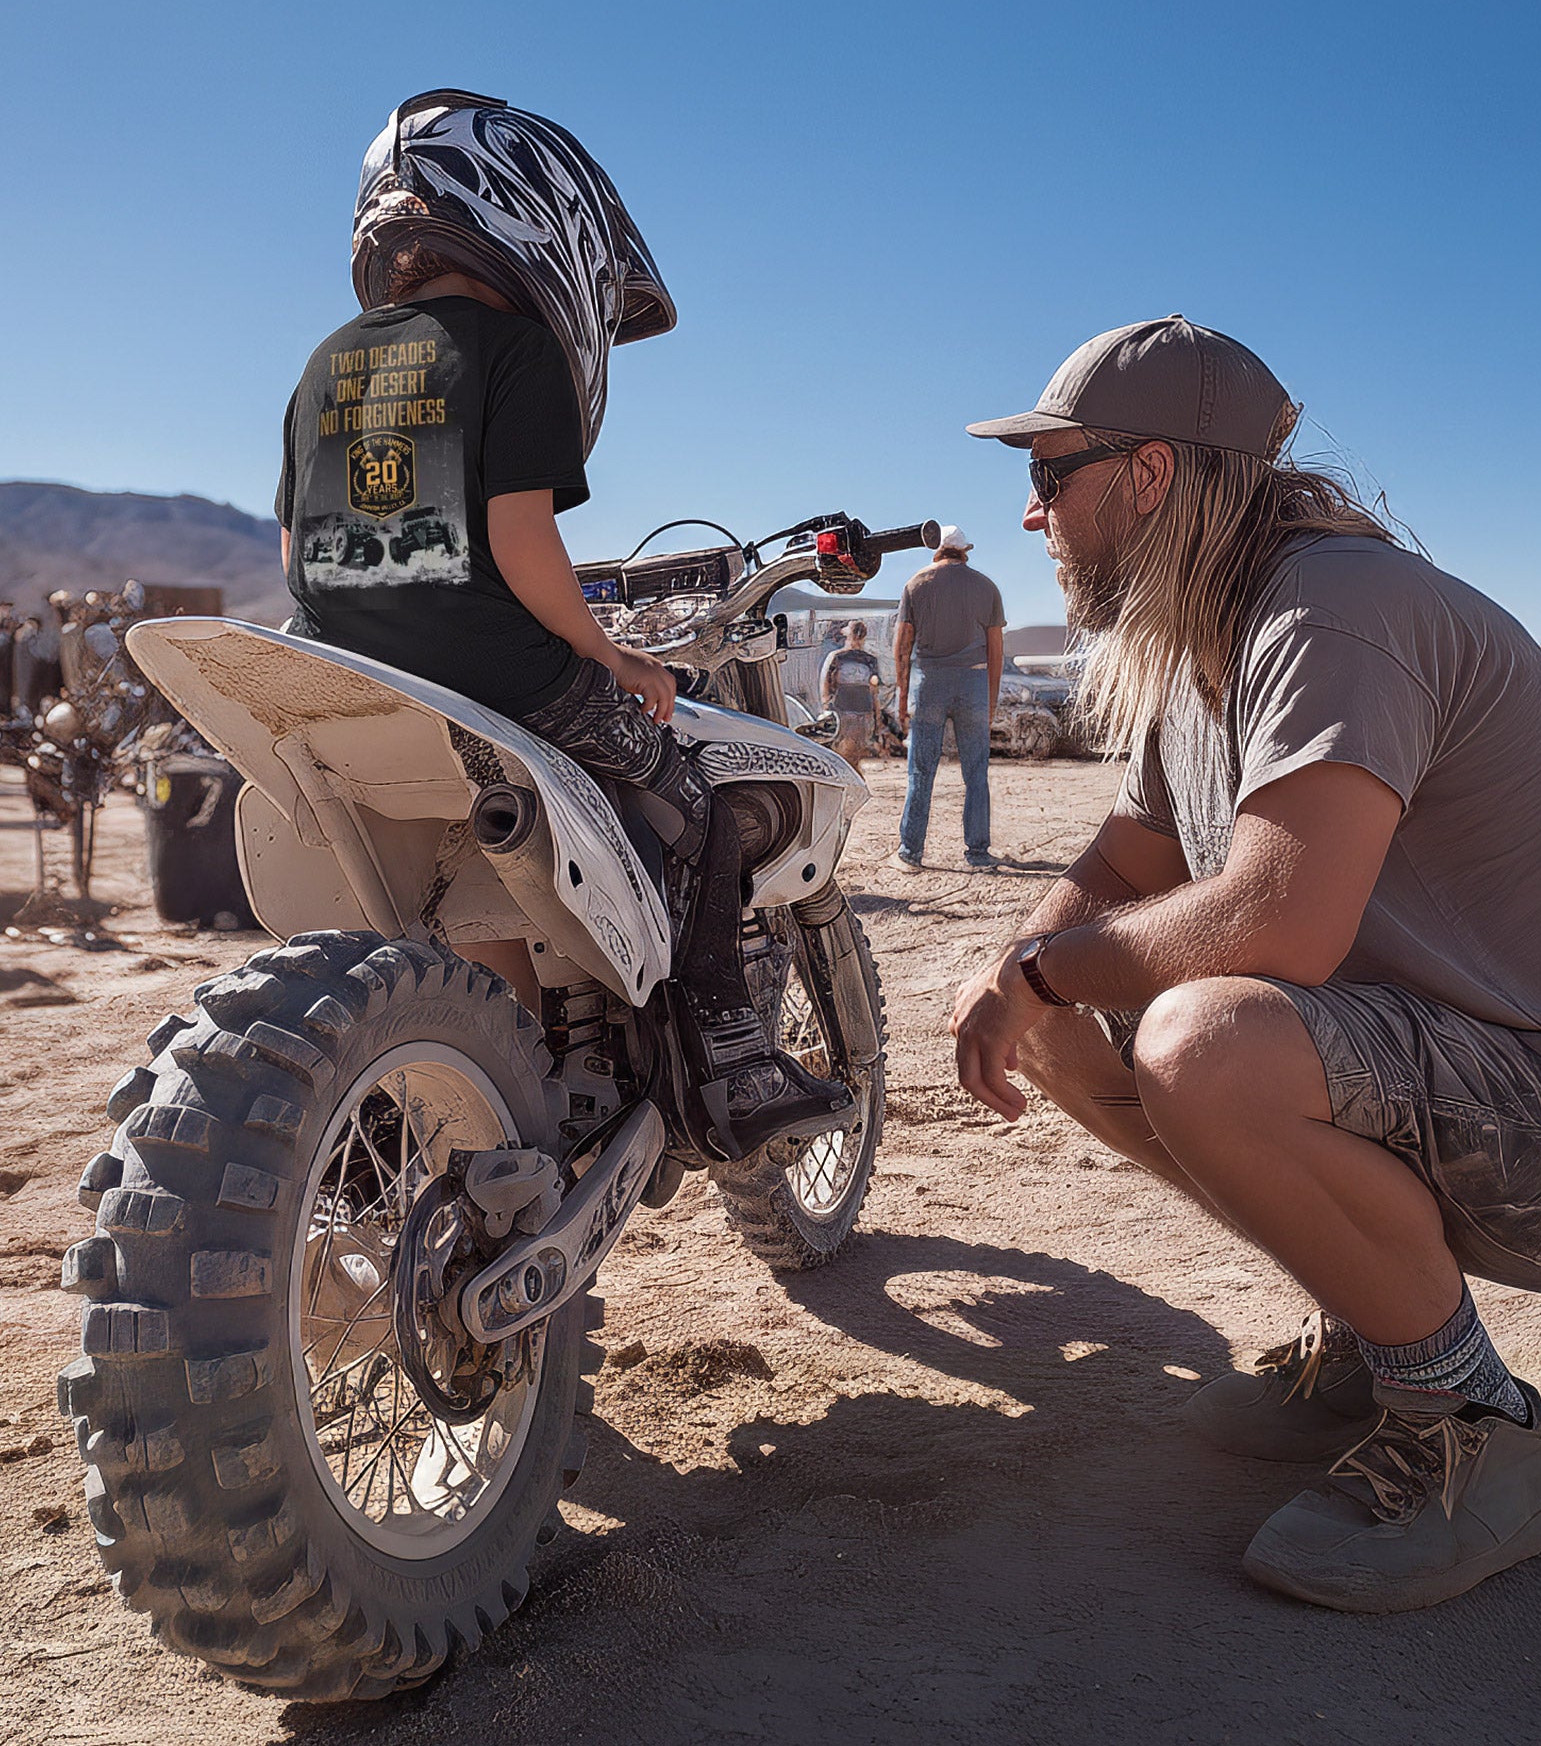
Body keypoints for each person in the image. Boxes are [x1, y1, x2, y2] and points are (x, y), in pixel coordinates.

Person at [951, 315, 1541, 1612]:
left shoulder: (1334, 608)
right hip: (1473, 1087)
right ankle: (1381, 1329)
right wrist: (1017, 971)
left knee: (1200, 1038)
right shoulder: (1202, 634)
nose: (1034, 516)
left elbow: (1279, 921)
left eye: (1050, 476)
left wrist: (1043, 971)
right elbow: (1126, 856)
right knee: (1068, 1020)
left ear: (1151, 475)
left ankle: (1467, 1423)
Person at [274, 88, 850, 1158]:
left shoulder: (327, 362)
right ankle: (725, 1060)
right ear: (537, 221)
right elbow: (523, 544)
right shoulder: (512, 349)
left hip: (342, 673)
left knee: (466, 905)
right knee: (695, 800)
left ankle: (508, 1084)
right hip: (494, 673)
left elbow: (299, 545)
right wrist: (607, 653)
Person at [893, 525, 1006, 872]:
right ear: (964, 551)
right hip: (972, 682)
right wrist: (990, 701)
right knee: (976, 773)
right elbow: (996, 651)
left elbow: (902, 647)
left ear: (936, 552)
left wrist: (901, 698)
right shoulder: (986, 586)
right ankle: (978, 854)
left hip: (929, 685)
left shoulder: (916, 584)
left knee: (921, 772)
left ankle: (910, 853)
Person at [819, 619, 883, 772]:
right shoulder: (837, 657)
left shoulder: (869, 660)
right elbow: (826, 681)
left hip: (862, 707)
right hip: (843, 707)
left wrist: (876, 713)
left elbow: (873, 689)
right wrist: (826, 702)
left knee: (858, 748)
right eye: (855, 633)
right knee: (842, 747)